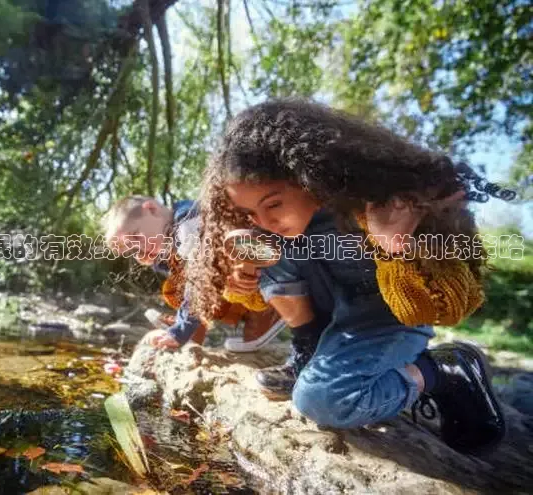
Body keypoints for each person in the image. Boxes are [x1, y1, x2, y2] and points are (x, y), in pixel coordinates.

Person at [186, 98, 514, 455]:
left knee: (323, 402)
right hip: (334, 319)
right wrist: (244, 278)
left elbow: (449, 307)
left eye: (273, 204)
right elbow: (261, 293)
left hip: (388, 321)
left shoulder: (385, 201)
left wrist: (395, 247)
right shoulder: (272, 230)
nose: (264, 220)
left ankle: (442, 369)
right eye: (250, 211)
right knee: (257, 244)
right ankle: (309, 353)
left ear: (306, 175)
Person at [103, 195, 285, 351]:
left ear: (151, 209)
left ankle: (269, 312)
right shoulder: (169, 238)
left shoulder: (188, 222)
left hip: (265, 274)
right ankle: (192, 332)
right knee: (174, 288)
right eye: (132, 250)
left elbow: (199, 280)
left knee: (201, 281)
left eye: (136, 236)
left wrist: (181, 330)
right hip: (228, 281)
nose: (139, 248)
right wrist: (156, 259)